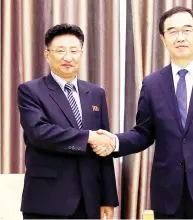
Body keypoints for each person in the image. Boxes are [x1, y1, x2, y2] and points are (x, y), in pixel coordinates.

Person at [92, 6, 193, 219]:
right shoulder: (152, 84)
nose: (180, 37)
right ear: (163, 38)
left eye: (187, 30)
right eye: (172, 31)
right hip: (167, 192)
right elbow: (143, 133)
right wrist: (114, 142)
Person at [17, 23, 118, 219]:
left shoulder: (96, 93)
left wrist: (108, 198)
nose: (68, 57)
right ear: (47, 54)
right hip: (47, 201)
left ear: (81, 53)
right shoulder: (31, 91)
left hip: (89, 201)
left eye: (73, 51)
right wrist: (88, 137)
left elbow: (103, 147)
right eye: (60, 51)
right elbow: (39, 133)